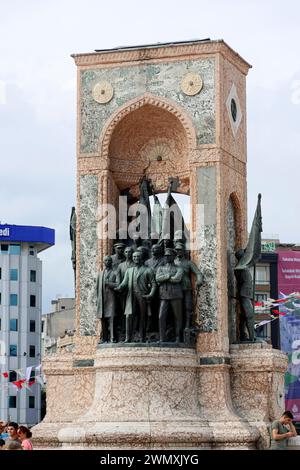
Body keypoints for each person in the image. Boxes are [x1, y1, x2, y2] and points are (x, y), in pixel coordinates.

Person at [116, 251, 156, 342]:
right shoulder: (129, 271)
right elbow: (124, 283)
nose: (135, 258)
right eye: (134, 257)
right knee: (128, 316)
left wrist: (151, 294)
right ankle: (128, 337)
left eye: (137, 257)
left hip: (143, 296)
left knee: (142, 317)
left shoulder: (147, 270)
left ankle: (142, 337)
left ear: (141, 258)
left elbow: (154, 284)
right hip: (131, 296)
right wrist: (119, 287)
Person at [156, 248, 184, 343]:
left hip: (176, 295)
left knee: (178, 317)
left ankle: (178, 338)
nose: (167, 257)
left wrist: (165, 278)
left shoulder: (179, 268)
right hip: (164, 295)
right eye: (166, 255)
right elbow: (157, 279)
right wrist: (168, 276)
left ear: (173, 256)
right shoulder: (160, 268)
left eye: (169, 255)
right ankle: (162, 338)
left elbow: (177, 279)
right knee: (161, 316)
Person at [174, 242, 203, 329]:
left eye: (179, 250)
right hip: (175, 287)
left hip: (186, 286)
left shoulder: (189, 263)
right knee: (177, 308)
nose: (178, 251)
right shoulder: (173, 262)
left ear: (183, 251)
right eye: (176, 250)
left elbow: (198, 273)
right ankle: (178, 327)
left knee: (188, 306)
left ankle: (187, 325)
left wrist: (199, 280)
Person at [234, 249, 255, 341]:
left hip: (246, 293)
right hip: (244, 294)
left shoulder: (242, 266)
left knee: (243, 316)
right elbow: (240, 282)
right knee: (249, 314)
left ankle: (243, 335)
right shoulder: (240, 267)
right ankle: (252, 337)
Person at [96, 255, 118, 343]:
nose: (107, 262)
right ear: (104, 262)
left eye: (109, 260)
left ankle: (113, 337)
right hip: (102, 300)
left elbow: (118, 284)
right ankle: (104, 338)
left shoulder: (115, 272)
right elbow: (97, 288)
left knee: (112, 319)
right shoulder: (100, 274)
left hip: (111, 299)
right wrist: (97, 300)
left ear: (111, 262)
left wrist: (109, 284)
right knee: (103, 320)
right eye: (106, 261)